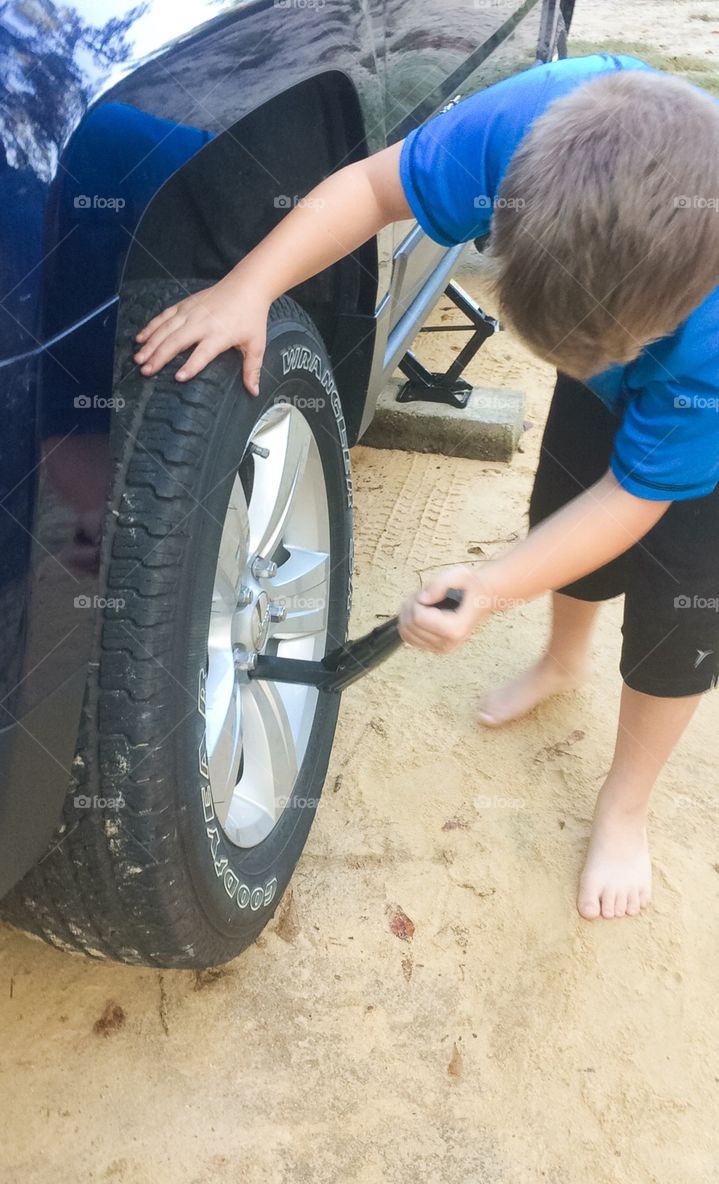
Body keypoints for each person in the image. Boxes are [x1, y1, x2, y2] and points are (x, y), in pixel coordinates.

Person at [134, 54, 719, 921]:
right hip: (638, 331)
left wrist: (489, 586)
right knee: (559, 503)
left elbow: (635, 496)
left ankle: (624, 804)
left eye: (615, 353)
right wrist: (246, 288)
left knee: (683, 609)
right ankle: (560, 662)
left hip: (696, 409)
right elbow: (369, 191)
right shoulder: (518, 129)